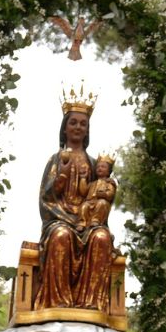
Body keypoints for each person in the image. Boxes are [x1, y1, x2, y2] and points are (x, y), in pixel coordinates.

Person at [34, 97, 116, 310]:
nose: (78, 127)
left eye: (83, 124)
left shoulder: (94, 164)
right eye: (73, 122)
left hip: (86, 221)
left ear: (88, 130)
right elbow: (46, 198)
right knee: (61, 236)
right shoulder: (55, 159)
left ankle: (92, 303)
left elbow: (100, 196)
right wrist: (62, 174)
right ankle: (58, 302)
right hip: (60, 218)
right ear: (64, 128)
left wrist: (93, 214)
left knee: (101, 237)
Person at [79, 154, 116, 229]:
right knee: (84, 206)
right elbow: (83, 192)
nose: (100, 168)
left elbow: (110, 194)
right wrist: (83, 179)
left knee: (102, 203)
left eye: (103, 167)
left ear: (109, 171)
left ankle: (96, 220)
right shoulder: (92, 183)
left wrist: (104, 194)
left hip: (100, 202)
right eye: (98, 167)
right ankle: (82, 222)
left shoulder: (109, 183)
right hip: (90, 202)